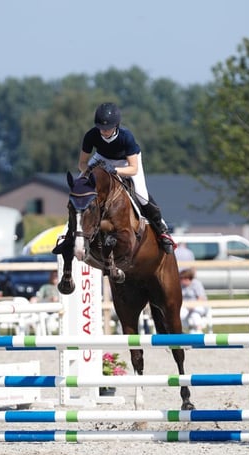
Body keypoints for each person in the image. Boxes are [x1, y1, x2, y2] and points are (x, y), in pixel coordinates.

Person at [78, 102, 175, 254]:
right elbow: (82, 164)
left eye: (107, 128)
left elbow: (133, 168)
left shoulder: (126, 137)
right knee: (80, 188)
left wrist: (114, 171)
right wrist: (91, 171)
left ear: (116, 125)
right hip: (101, 159)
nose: (103, 131)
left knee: (141, 194)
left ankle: (162, 230)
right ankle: (73, 229)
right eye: (101, 128)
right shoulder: (91, 135)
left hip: (126, 162)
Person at [179, 268, 208, 333]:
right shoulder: (180, 286)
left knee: (195, 315)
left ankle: (198, 332)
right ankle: (180, 332)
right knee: (180, 315)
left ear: (187, 279)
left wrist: (192, 306)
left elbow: (201, 298)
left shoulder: (196, 283)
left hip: (198, 305)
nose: (180, 280)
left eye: (181, 279)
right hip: (186, 306)